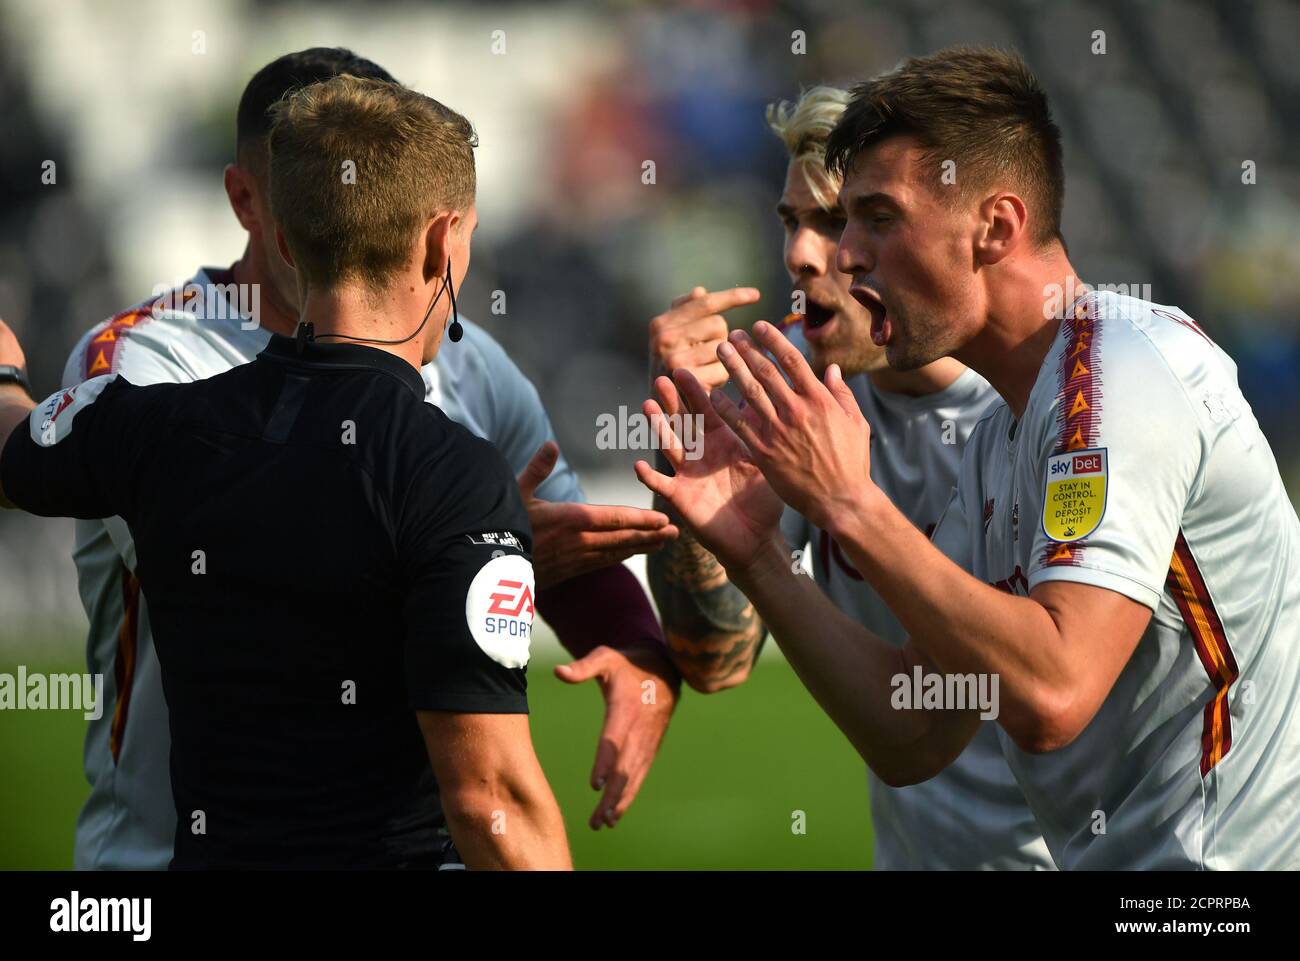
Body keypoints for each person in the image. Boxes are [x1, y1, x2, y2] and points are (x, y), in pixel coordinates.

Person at [637, 46, 1300, 869]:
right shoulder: (1005, 432)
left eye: (877, 218)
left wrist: (851, 503)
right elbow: (915, 728)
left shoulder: (1123, 373)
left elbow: (1053, 691)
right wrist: (753, 551)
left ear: (996, 227)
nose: (840, 256)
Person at [62, 47, 677, 870]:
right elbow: (238, 579)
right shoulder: (143, 363)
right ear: (251, 201)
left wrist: (637, 651)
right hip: (166, 854)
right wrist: (473, 548)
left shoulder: (468, 359)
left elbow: (573, 543)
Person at [644, 86, 1050, 870]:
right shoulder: (786, 385)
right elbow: (716, 660)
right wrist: (681, 437)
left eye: (835, 223)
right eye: (792, 222)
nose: (800, 255)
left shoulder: (1045, 412)